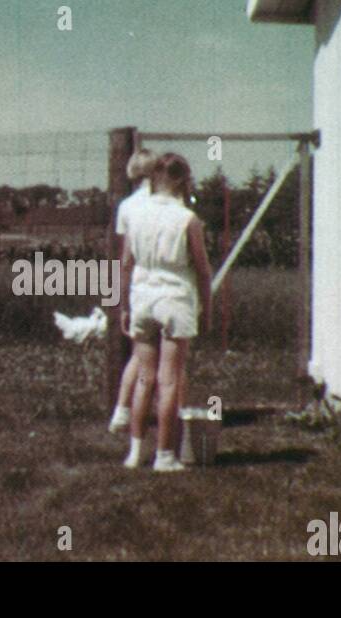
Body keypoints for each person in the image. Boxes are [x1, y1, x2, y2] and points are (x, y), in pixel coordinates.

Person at [120, 153, 212, 471]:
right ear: (181, 181)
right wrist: (207, 307)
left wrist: (123, 306)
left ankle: (134, 453)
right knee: (169, 380)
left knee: (144, 378)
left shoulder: (135, 214)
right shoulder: (188, 219)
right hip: (175, 298)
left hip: (142, 296)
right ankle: (164, 456)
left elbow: (126, 263)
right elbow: (202, 270)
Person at [108, 149, 155, 433]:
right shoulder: (171, 202)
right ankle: (165, 417)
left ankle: (123, 411)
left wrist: (123, 298)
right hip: (167, 285)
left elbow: (126, 257)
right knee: (166, 362)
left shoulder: (126, 206)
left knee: (140, 353)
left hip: (139, 286)